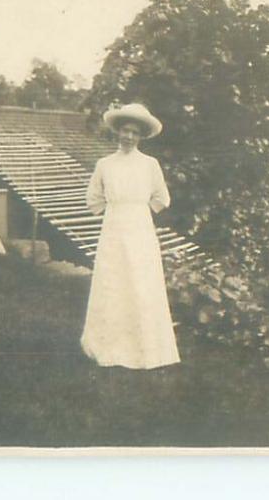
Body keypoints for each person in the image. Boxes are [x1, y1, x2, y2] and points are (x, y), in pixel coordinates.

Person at [80, 102, 181, 369]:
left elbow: (162, 198)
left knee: (140, 281)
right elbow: (93, 198)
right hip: (113, 227)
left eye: (135, 132)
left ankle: (145, 347)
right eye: (125, 130)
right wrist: (113, 209)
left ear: (141, 136)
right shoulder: (105, 164)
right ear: (118, 132)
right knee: (113, 282)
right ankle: (108, 345)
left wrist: (138, 209)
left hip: (140, 228)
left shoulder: (150, 165)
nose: (128, 136)